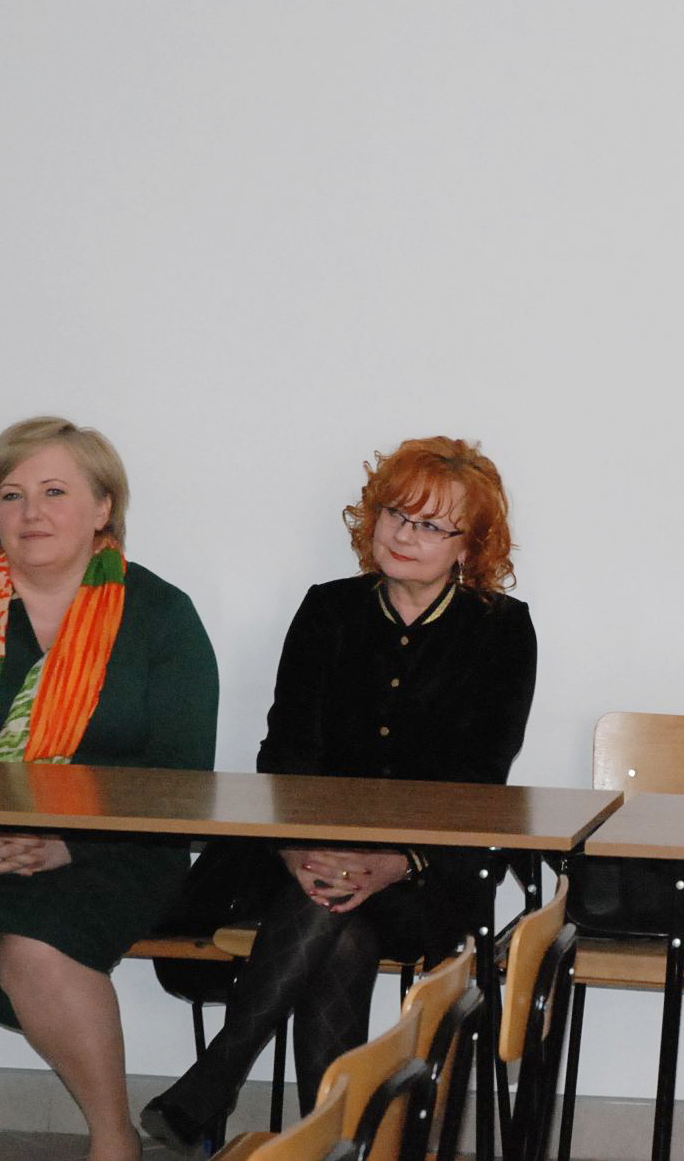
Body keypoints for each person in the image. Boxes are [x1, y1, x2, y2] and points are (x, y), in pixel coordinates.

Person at [141, 435, 536, 1149]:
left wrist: (395, 861)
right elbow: (285, 753)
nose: (403, 534)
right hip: (300, 857)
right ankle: (333, 1143)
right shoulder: (328, 610)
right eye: (395, 513)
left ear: (468, 546)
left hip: (425, 873)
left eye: (430, 524)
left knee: (334, 920)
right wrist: (300, 849)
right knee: (338, 927)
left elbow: (480, 781)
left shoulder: (502, 630)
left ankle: (220, 1076)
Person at [0, 417, 219, 1161]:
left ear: (103, 507)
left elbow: (181, 778)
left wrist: (68, 842)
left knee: (37, 949)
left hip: (118, 848)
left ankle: (114, 1141)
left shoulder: (161, 615)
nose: (31, 512)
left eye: (55, 491)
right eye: (12, 494)